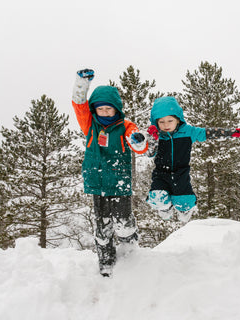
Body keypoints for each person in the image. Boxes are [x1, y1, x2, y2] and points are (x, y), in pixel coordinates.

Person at [72, 68, 148, 277]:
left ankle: (129, 250)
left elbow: (138, 144)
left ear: (117, 110)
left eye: (109, 109)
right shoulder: (90, 124)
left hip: (119, 182)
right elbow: (79, 106)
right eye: (101, 109)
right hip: (97, 181)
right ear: (95, 110)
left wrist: (138, 140)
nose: (105, 112)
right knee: (103, 225)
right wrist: (82, 83)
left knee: (123, 222)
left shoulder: (125, 125)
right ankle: (106, 262)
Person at [146, 96, 240, 223]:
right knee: (157, 197)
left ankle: (185, 210)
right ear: (156, 122)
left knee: (184, 202)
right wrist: (152, 139)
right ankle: (164, 208)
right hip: (160, 174)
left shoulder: (188, 132)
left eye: (170, 120)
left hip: (181, 174)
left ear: (178, 119)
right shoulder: (156, 135)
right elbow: (149, 154)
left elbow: (208, 132)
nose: (166, 125)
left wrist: (230, 132)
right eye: (161, 122)